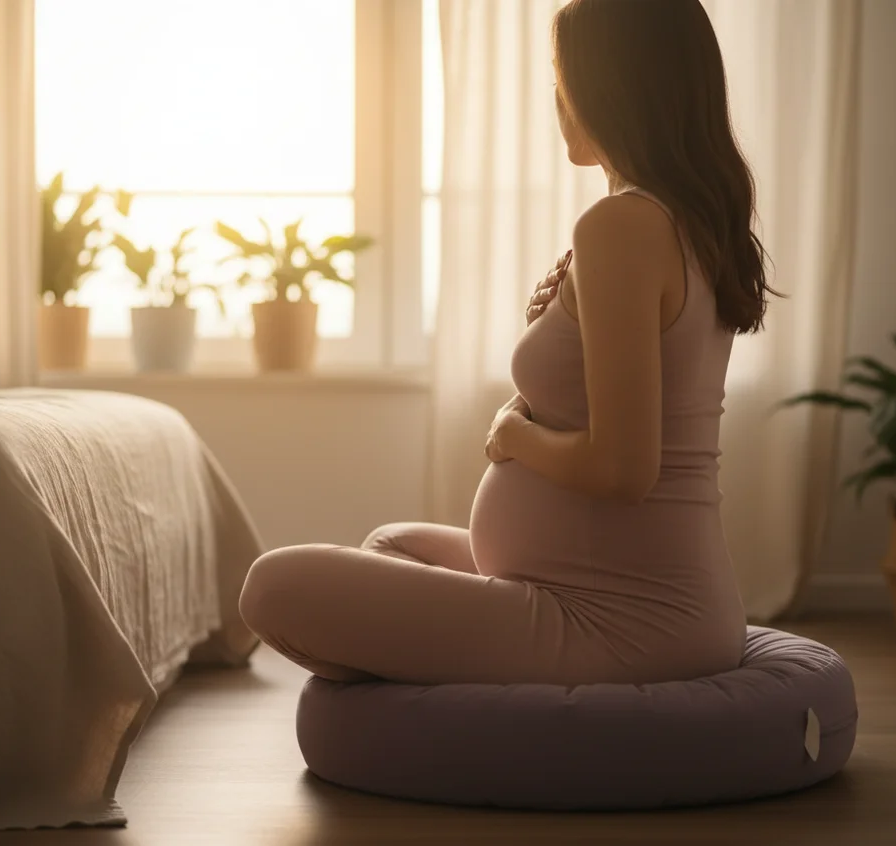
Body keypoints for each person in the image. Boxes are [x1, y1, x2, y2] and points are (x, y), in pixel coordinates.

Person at [239, 0, 775, 687]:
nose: (557, 98)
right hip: (621, 594)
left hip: (619, 619)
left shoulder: (623, 228)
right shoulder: (682, 220)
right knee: (392, 547)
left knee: (272, 587)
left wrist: (513, 438)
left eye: (563, 77)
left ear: (610, 87)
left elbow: (623, 469)